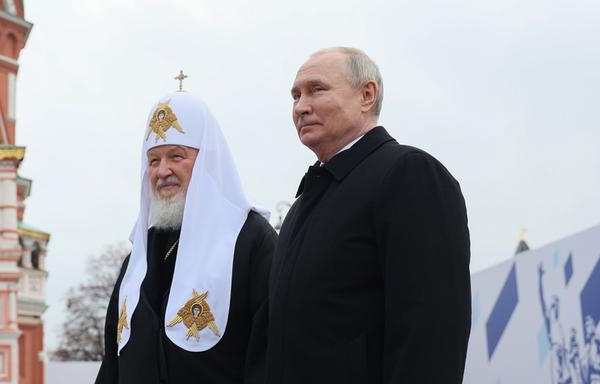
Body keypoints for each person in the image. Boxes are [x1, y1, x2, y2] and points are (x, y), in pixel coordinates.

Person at [261, 47, 471, 383]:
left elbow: (431, 332)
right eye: (296, 95)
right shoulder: (302, 206)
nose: (301, 107)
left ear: (366, 95)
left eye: (317, 89)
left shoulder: (409, 174)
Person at [95, 89, 277, 383]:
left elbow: (268, 358)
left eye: (176, 156)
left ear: (207, 162)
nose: (162, 170)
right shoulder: (138, 258)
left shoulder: (250, 240)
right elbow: (112, 366)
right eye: (153, 161)